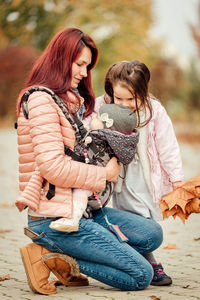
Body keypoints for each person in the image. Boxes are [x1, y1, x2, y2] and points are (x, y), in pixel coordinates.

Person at [15, 28, 163, 295]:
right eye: (80, 64)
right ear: (60, 59)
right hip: (54, 217)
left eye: (87, 66)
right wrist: (104, 174)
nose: (84, 73)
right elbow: (52, 167)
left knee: (152, 234)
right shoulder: (39, 100)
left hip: (85, 210)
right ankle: (49, 253)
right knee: (141, 275)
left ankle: (73, 253)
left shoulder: (70, 101)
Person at [96, 60, 184, 286]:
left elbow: (168, 146)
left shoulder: (154, 111)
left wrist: (176, 179)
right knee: (133, 215)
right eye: (119, 98)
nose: (124, 104)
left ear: (143, 92)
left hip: (144, 173)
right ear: (110, 91)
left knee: (145, 215)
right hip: (117, 175)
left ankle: (139, 258)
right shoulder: (101, 106)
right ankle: (150, 262)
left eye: (131, 98)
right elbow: (89, 125)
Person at [49, 101, 139, 231]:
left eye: (97, 117)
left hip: (97, 189)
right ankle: (81, 213)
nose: (93, 118)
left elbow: (90, 160)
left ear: (107, 126)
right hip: (101, 188)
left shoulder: (99, 141)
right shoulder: (109, 141)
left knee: (81, 189)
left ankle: (73, 219)